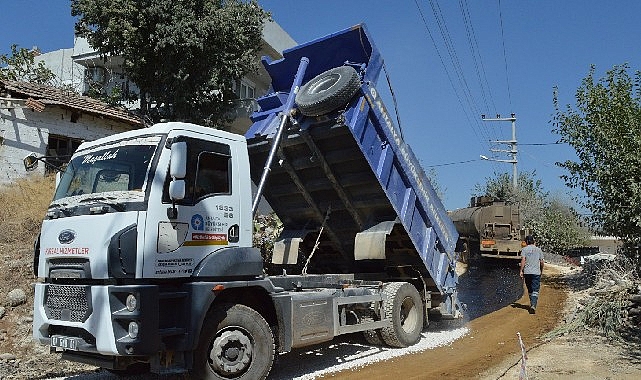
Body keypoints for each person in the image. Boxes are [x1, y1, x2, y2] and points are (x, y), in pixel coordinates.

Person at [519, 235, 544, 314]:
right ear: (533, 241)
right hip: (536, 273)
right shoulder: (539, 250)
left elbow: (523, 260)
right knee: (535, 289)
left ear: (526, 242)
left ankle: (532, 304)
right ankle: (533, 305)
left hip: (527, 272)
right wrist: (541, 270)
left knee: (529, 288)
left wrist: (521, 271)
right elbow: (542, 262)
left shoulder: (524, 250)